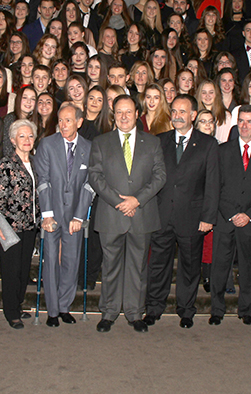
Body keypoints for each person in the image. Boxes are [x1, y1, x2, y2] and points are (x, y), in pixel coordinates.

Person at [89, 95, 167, 333]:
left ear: (136, 114)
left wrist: (137, 200)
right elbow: (95, 176)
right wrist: (118, 202)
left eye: (128, 112)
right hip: (111, 214)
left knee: (138, 267)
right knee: (110, 266)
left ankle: (135, 313)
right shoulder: (101, 142)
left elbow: (160, 176)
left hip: (141, 215)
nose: (124, 116)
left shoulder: (152, 143)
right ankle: (109, 312)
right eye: (119, 112)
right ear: (114, 115)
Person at [144, 94, 218, 328]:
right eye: (174, 111)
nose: (176, 116)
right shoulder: (159, 141)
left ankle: (186, 310)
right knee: (158, 265)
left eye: (182, 112)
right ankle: (154, 308)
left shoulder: (208, 144)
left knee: (189, 267)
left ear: (194, 115)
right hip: (162, 214)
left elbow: (213, 184)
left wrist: (208, 217)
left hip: (192, 217)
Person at [208, 105, 251, 326]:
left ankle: (246, 310)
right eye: (242, 121)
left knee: (248, 268)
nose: (245, 126)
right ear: (237, 123)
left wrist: (248, 215)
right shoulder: (222, 150)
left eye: (250, 121)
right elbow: (215, 186)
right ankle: (217, 310)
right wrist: (232, 214)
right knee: (219, 267)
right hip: (225, 219)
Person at [31, 103, 94, 326]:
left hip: (74, 215)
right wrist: (47, 214)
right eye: (60, 120)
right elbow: (43, 181)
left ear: (79, 122)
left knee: (71, 259)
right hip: (52, 211)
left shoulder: (89, 147)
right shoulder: (47, 145)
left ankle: (65, 306)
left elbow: (89, 184)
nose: (63, 124)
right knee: (50, 261)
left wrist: (79, 217)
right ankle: (52, 310)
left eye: (68, 120)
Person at [0, 119, 40, 329]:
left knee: (23, 270)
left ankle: (17, 304)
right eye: (21, 136)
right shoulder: (6, 163)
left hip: (29, 226)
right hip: (9, 226)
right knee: (11, 270)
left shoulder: (35, 163)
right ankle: (11, 312)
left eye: (30, 136)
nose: (26, 140)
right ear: (12, 140)